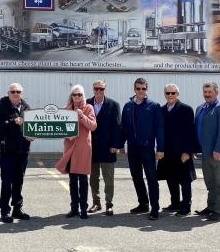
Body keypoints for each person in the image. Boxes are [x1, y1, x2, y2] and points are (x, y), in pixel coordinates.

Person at [120, 77, 164, 220]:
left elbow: (159, 128)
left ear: (147, 89)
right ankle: (143, 203)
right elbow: (124, 128)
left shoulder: (154, 106)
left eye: (143, 88)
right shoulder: (127, 106)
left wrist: (160, 148)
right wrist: (121, 144)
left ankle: (155, 208)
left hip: (147, 148)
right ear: (134, 89)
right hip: (132, 148)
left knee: (151, 178)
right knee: (136, 176)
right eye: (138, 88)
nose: (140, 91)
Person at [0, 83, 33, 223]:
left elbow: (33, 128)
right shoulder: (2, 106)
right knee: (7, 181)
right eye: (13, 91)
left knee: (19, 180)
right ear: (8, 93)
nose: (15, 93)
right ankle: (5, 211)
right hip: (8, 150)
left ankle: (17, 208)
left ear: (22, 93)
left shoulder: (27, 108)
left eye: (18, 91)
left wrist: (32, 135)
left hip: (23, 150)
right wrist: (12, 122)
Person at [194, 81, 220, 222]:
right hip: (206, 153)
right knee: (210, 182)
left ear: (217, 92)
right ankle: (211, 208)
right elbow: (198, 130)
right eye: (205, 92)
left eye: (210, 92)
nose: (207, 95)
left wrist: (218, 149)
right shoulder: (200, 108)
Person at [55, 84, 97, 219]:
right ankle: (74, 208)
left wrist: (82, 117)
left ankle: (84, 209)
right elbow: (60, 129)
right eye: (75, 94)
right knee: (72, 181)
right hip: (70, 148)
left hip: (83, 148)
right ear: (71, 96)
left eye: (79, 94)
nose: (77, 97)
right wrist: (66, 134)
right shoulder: (66, 109)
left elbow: (93, 126)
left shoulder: (88, 108)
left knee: (83, 180)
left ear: (83, 96)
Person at [156, 84, 197, 217]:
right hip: (167, 152)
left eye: (173, 93)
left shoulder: (186, 109)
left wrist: (188, 151)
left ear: (177, 94)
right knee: (170, 178)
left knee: (184, 180)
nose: (170, 95)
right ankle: (175, 203)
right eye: (167, 93)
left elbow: (191, 132)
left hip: (182, 152)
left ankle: (186, 206)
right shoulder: (161, 110)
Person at [86, 80, 121, 216]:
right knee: (93, 178)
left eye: (101, 89)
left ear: (105, 89)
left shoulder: (113, 105)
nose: (99, 91)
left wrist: (115, 145)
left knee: (108, 178)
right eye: (96, 89)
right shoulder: (87, 103)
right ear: (93, 89)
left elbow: (117, 127)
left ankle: (109, 204)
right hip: (91, 148)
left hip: (108, 148)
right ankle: (96, 202)